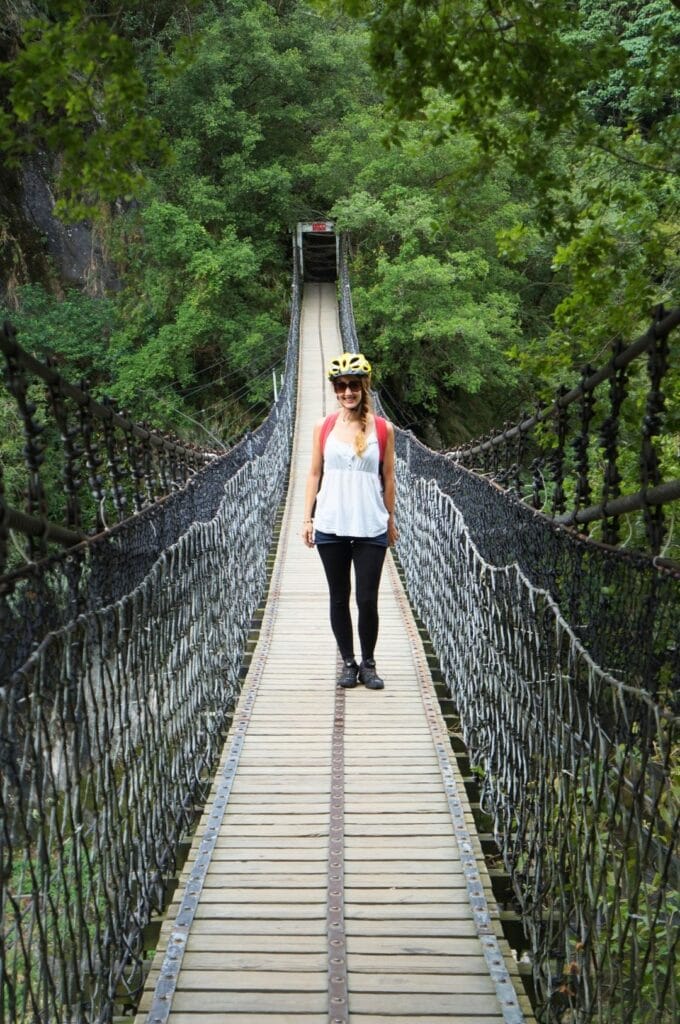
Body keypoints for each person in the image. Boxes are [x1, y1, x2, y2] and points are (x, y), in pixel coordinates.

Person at [301, 352, 397, 689]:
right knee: (339, 596)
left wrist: (390, 521)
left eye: (353, 385)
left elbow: (388, 479)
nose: (347, 392)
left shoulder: (383, 429)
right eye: (340, 386)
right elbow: (314, 473)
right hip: (330, 522)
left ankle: (368, 664)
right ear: (334, 389)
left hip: (371, 523)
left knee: (367, 598)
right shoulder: (323, 426)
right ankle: (348, 663)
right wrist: (307, 519)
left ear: (364, 386)